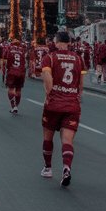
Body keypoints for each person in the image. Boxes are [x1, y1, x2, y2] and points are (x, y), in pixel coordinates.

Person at [40, 30, 86, 186]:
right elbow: (81, 84)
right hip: (72, 104)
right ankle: (66, 167)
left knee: (48, 137)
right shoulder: (78, 59)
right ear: (69, 43)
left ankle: (48, 168)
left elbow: (48, 83)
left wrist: (48, 96)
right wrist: (76, 97)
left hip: (54, 104)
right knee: (67, 140)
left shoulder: (49, 58)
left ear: (57, 42)